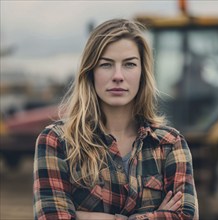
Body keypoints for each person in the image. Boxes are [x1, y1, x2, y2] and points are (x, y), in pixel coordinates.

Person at [33, 18, 198, 219]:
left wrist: (85, 216)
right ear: (90, 72)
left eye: (129, 64)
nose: (118, 75)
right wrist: (156, 215)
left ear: (142, 73)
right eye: (106, 64)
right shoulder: (57, 141)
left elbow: (185, 216)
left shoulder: (170, 144)